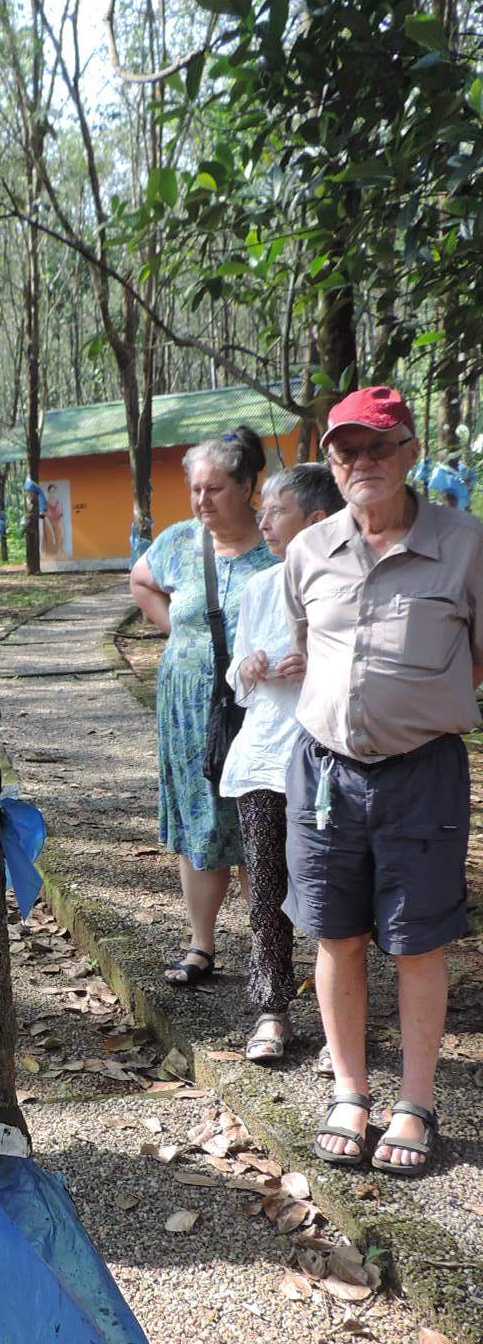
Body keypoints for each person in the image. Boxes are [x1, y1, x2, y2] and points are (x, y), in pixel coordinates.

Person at [283, 385, 483, 1174]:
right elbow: (308, 647)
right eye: (345, 450)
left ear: (409, 449)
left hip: (423, 773)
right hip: (325, 773)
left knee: (418, 940)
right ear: (330, 463)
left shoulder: (466, 543)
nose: (361, 462)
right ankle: (350, 1092)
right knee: (337, 933)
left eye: (376, 446)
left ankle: (417, 1102)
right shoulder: (306, 549)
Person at [131, 426, 274, 986]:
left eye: (214, 488)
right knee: (199, 825)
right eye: (195, 489)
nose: (201, 500)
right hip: (188, 711)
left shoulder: (276, 547)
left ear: (246, 485)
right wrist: (177, 637)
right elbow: (141, 580)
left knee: (258, 827)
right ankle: (201, 945)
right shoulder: (179, 542)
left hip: (258, 708)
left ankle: (270, 955)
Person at [219, 464, 344, 1061]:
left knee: (331, 895)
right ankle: (272, 1009)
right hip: (265, 755)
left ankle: (339, 1025)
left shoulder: (350, 586)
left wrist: (313, 663)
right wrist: (245, 671)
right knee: (266, 889)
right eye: (262, 511)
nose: (262, 520)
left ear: (316, 521)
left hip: (330, 759)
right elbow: (237, 674)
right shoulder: (257, 588)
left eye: (276, 511)